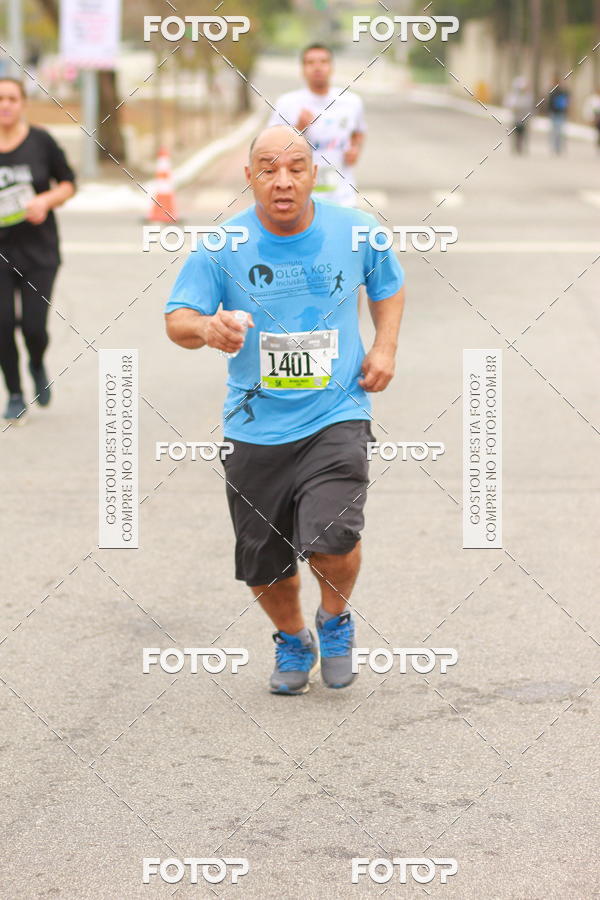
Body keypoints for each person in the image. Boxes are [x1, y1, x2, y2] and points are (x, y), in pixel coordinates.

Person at [165, 125, 405, 695]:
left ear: (313, 174)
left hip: (336, 411)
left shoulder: (356, 231)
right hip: (254, 426)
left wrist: (385, 345)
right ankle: (294, 638)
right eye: (268, 168)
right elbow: (177, 320)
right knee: (263, 560)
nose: (283, 180)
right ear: (248, 176)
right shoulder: (222, 246)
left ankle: (336, 619)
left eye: (296, 167)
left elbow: (387, 285)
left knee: (334, 536)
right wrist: (207, 325)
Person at [0, 77, 75, 422]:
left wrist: (45, 200)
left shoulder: (41, 141)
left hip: (38, 251)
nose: (6, 105)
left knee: (33, 326)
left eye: (12, 98)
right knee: (2, 325)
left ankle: (36, 361)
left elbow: (69, 183)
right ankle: (14, 393)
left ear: (23, 103)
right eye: (0, 99)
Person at [267, 44, 366, 207]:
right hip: (302, 199)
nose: (317, 67)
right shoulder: (287, 103)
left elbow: (358, 132)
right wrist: (297, 129)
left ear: (332, 67)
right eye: (310, 63)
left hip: (343, 198)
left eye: (323, 62)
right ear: (302, 69)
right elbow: (270, 149)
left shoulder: (351, 102)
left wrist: (355, 148)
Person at [504, 76, 533, 154]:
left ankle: (521, 147)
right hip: (516, 118)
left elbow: (529, 106)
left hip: (524, 119)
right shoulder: (513, 95)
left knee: (523, 133)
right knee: (516, 133)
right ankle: (515, 147)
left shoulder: (528, 95)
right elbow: (509, 104)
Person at [547, 80, 570, 155]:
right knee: (556, 132)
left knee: (557, 132)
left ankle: (557, 148)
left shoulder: (559, 92)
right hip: (556, 114)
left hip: (558, 114)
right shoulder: (558, 92)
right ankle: (556, 148)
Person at [583, 87, 600, 151]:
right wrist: (590, 117)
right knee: (597, 132)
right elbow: (589, 109)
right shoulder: (593, 99)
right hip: (596, 118)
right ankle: (598, 143)